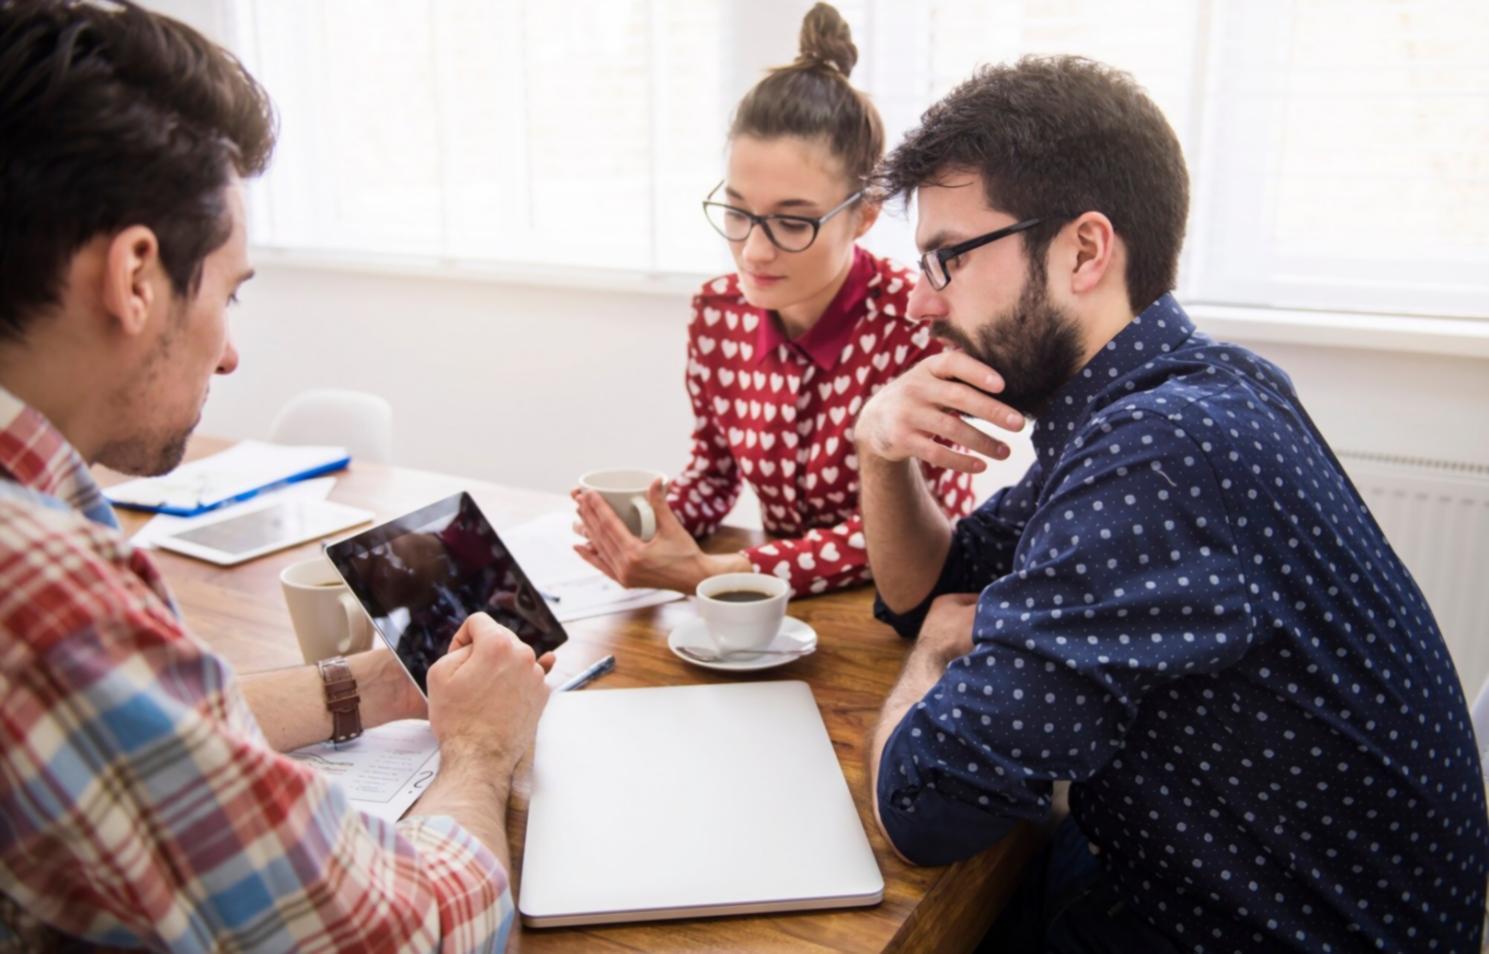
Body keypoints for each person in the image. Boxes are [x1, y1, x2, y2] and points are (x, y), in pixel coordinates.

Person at [856, 55, 1489, 951]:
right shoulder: (1175, 395)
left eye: (947, 257)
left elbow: (926, 806)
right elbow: (937, 583)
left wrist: (931, 657)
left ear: (1083, 249)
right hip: (1199, 881)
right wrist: (878, 450)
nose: (922, 302)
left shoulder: (1164, 451)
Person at [0, 2, 549, 949]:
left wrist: (376, 685)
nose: (229, 359)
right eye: (228, 291)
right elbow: (393, 933)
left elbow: (155, 726)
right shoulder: (38, 588)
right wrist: (482, 748)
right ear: (136, 276)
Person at [574, 2, 976, 598]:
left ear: (863, 216)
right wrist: (642, 527)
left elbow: (929, 528)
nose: (754, 253)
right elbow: (712, 478)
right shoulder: (718, 314)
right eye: (738, 212)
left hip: (906, 613)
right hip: (768, 615)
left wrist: (717, 573)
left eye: (793, 223)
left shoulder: (919, 325)